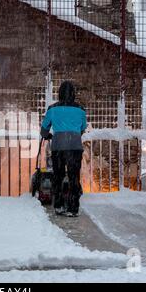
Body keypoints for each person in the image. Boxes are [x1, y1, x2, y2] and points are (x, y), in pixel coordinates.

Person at [40, 81, 87, 217]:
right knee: (73, 178)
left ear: (59, 93)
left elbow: (44, 130)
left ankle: (59, 205)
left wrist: (49, 135)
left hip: (58, 147)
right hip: (75, 147)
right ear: (73, 94)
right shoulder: (81, 109)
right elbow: (82, 128)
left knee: (58, 176)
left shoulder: (52, 109)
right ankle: (73, 208)